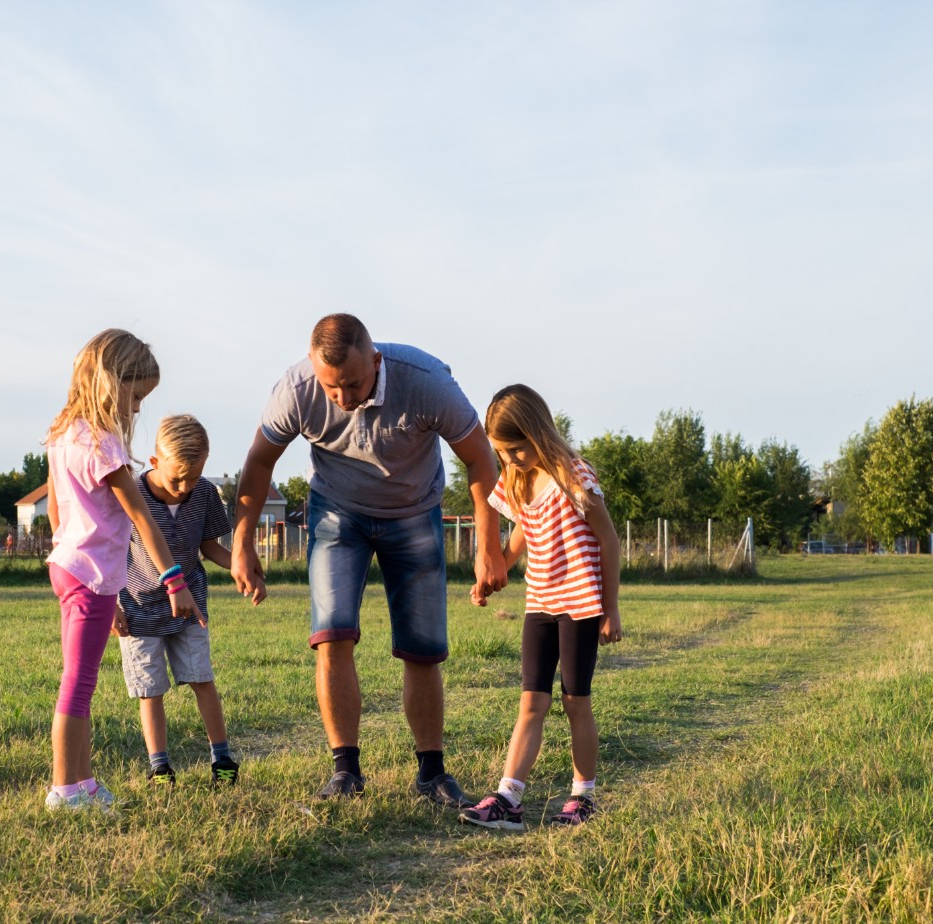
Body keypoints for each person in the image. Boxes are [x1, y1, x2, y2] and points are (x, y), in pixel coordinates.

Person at [230, 314, 507, 806]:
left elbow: (480, 458)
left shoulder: (425, 382)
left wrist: (488, 545)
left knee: (422, 648)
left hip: (414, 512)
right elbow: (259, 462)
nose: (341, 397)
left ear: (375, 361)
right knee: (331, 636)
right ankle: (345, 772)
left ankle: (432, 773)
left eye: (352, 383)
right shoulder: (296, 389)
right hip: (338, 514)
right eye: (330, 386)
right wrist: (242, 541)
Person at [43, 329, 199, 811]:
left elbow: (53, 511)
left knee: (78, 678)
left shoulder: (62, 435)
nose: (135, 409)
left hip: (68, 566)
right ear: (113, 382)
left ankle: (84, 782)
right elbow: (141, 516)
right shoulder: (103, 444)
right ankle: (66, 789)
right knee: (80, 684)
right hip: (91, 576)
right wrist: (175, 580)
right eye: (134, 396)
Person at [461, 384, 624, 831]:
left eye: (516, 450)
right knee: (531, 702)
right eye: (502, 453)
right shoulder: (518, 480)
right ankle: (509, 799)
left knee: (576, 703)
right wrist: (495, 572)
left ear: (537, 432)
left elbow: (608, 540)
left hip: (581, 604)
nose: (510, 460)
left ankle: (583, 798)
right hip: (541, 603)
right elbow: (521, 534)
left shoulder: (574, 475)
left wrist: (610, 608)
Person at [114, 414, 239, 787]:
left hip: (190, 609)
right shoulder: (129, 494)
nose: (185, 487)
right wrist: (111, 605)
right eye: (176, 478)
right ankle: (160, 767)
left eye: (194, 477)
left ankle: (222, 759)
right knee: (150, 690)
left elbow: (209, 546)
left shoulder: (204, 495)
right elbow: (112, 552)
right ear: (154, 462)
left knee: (202, 678)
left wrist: (240, 567)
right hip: (137, 609)